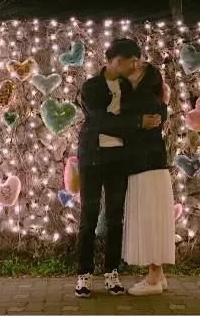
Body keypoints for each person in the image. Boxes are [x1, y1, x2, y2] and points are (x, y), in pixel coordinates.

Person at [75, 39, 161, 298]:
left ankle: (111, 272)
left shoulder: (128, 86)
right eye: (132, 61)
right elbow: (100, 120)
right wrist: (137, 122)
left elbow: (152, 104)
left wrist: (154, 115)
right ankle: (84, 274)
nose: (135, 66)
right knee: (89, 218)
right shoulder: (91, 87)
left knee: (115, 218)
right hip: (92, 158)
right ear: (117, 61)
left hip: (119, 160)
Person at [122, 61, 175, 296]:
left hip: (146, 166)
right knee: (153, 218)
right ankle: (158, 274)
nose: (132, 70)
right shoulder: (154, 101)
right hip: (152, 166)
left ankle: (153, 278)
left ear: (145, 78)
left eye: (137, 69)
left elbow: (127, 128)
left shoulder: (142, 101)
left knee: (149, 220)